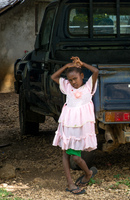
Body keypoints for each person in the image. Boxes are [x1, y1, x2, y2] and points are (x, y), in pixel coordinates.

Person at [51, 56, 99, 194]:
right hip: (67, 125)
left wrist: (82, 63)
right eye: (70, 80)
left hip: (81, 128)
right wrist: (66, 66)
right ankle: (70, 184)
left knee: (76, 157)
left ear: (82, 76)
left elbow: (95, 71)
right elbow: (54, 77)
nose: (72, 82)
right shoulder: (67, 87)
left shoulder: (89, 87)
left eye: (75, 79)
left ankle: (88, 173)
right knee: (66, 154)